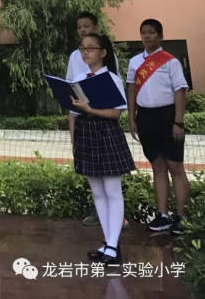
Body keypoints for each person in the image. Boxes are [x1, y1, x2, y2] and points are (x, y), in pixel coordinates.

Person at [71, 33, 135, 263]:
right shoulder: (78, 78)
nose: (85, 52)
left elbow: (116, 113)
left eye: (91, 48)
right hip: (86, 134)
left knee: (112, 191)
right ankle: (108, 243)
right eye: (82, 48)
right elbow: (74, 113)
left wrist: (91, 110)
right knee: (97, 193)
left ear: (103, 53)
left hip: (106, 134)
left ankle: (113, 246)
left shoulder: (111, 79)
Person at [126, 18, 189, 235]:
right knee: (158, 166)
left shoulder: (170, 61)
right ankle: (162, 215)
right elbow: (132, 90)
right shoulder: (134, 62)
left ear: (160, 36)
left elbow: (180, 91)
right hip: (146, 117)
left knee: (176, 167)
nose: (147, 36)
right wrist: (132, 118)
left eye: (151, 32)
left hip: (168, 116)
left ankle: (181, 217)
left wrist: (178, 122)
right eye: (143, 33)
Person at [66, 12, 101, 226]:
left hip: (102, 115)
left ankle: (116, 214)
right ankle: (97, 211)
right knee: (90, 169)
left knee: (108, 171)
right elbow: (70, 88)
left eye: (87, 25)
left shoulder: (105, 53)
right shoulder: (73, 56)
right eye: (79, 27)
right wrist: (72, 128)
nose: (83, 30)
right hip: (81, 116)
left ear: (95, 27)